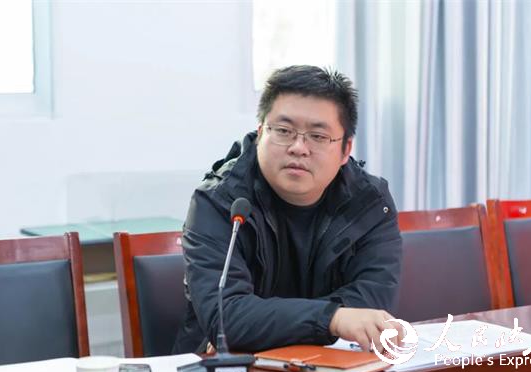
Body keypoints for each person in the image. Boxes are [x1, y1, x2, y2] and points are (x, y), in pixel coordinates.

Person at [172, 65, 403, 354]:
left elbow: (372, 302)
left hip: (335, 365)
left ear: (345, 150)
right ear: (260, 134)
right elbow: (227, 318)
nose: (298, 147)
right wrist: (333, 319)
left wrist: (264, 324)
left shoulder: (370, 202)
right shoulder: (219, 201)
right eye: (283, 131)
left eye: (318, 136)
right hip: (229, 370)